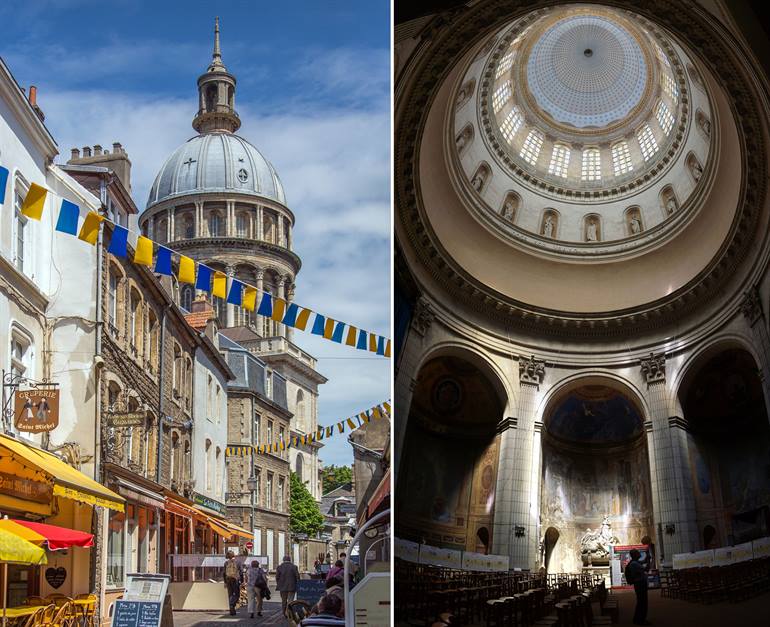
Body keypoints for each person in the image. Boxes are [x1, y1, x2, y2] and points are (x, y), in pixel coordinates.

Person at [625, 549, 651, 625]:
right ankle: (640, 620)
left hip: (639, 584)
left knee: (641, 602)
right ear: (635, 555)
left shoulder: (635, 562)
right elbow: (646, 569)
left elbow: (644, 561)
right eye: (637, 552)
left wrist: (647, 556)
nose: (639, 553)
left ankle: (637, 619)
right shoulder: (634, 564)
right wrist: (649, 560)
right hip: (640, 584)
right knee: (642, 603)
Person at [223, 550, 242, 616]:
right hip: (235, 580)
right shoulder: (238, 562)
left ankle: (232, 610)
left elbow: (224, 573)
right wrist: (242, 581)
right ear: (234, 555)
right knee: (237, 594)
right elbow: (241, 572)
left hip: (228, 580)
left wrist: (225, 582)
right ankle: (232, 605)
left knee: (230, 594)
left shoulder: (226, 563)